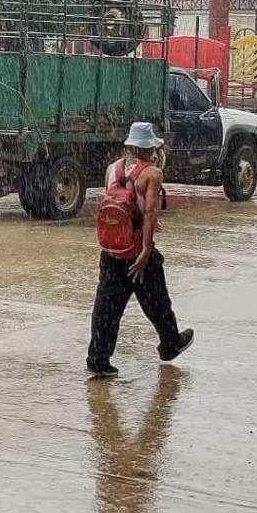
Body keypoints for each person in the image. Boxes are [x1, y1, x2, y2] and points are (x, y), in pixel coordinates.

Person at [87, 122, 194, 378]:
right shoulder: (152, 174)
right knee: (156, 300)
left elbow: (113, 205)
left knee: (106, 306)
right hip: (136, 252)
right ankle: (170, 343)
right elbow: (149, 213)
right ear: (150, 149)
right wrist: (146, 250)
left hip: (111, 250)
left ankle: (98, 358)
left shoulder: (113, 169)